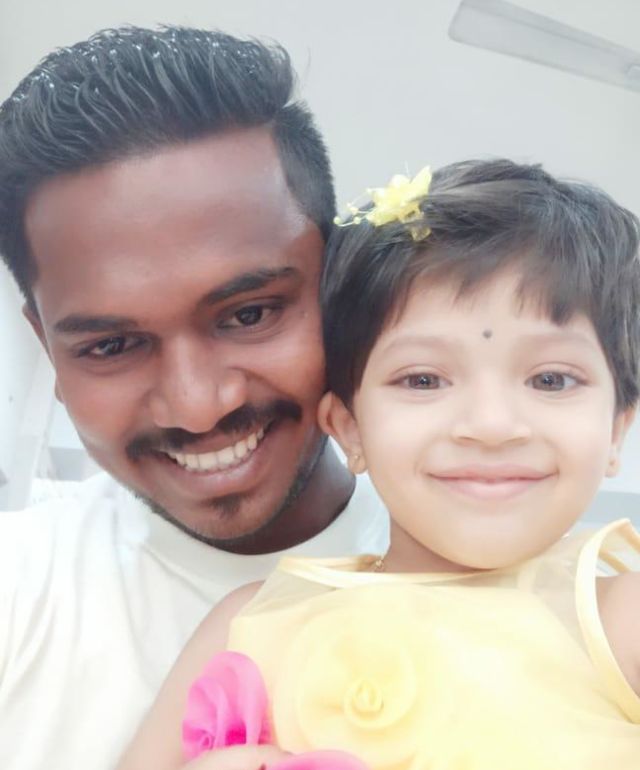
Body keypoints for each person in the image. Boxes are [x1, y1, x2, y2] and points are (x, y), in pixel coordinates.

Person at [119, 159, 640, 770]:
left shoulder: (621, 618)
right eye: (423, 379)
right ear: (350, 429)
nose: (492, 425)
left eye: (551, 379)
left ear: (616, 429)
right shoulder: (253, 623)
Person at [0, 26, 388, 770]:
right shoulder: (16, 589)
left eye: (250, 314)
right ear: (47, 347)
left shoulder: (545, 605)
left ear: (338, 285)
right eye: (111, 345)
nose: (198, 406)